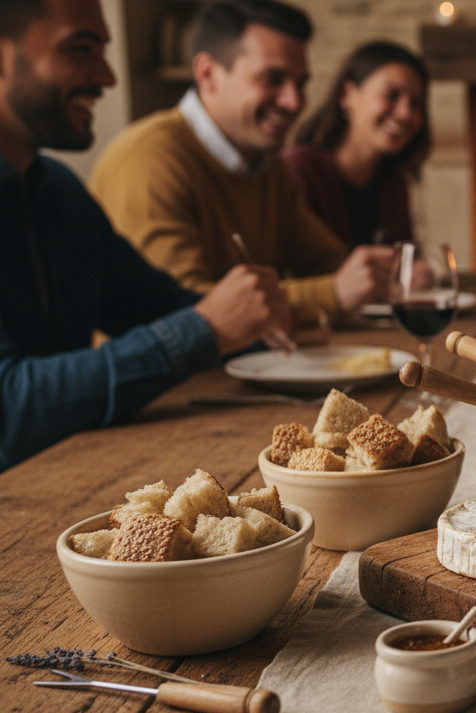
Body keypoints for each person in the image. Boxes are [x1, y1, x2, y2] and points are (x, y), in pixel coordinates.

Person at [0, 0, 290, 471]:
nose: (108, 77)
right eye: (80, 50)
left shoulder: (58, 189)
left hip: (67, 481)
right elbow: (7, 413)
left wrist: (263, 329)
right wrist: (206, 329)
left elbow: (159, 305)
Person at [87, 0, 394, 321]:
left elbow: (328, 262)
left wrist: (384, 274)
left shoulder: (266, 162)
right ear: (208, 73)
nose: (295, 101)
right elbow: (179, 312)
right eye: (272, 79)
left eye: (300, 83)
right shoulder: (149, 160)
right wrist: (331, 294)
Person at [284, 41, 429, 249]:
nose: (406, 114)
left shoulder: (393, 180)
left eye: (415, 103)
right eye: (391, 95)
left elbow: (400, 260)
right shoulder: (299, 170)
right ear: (347, 94)